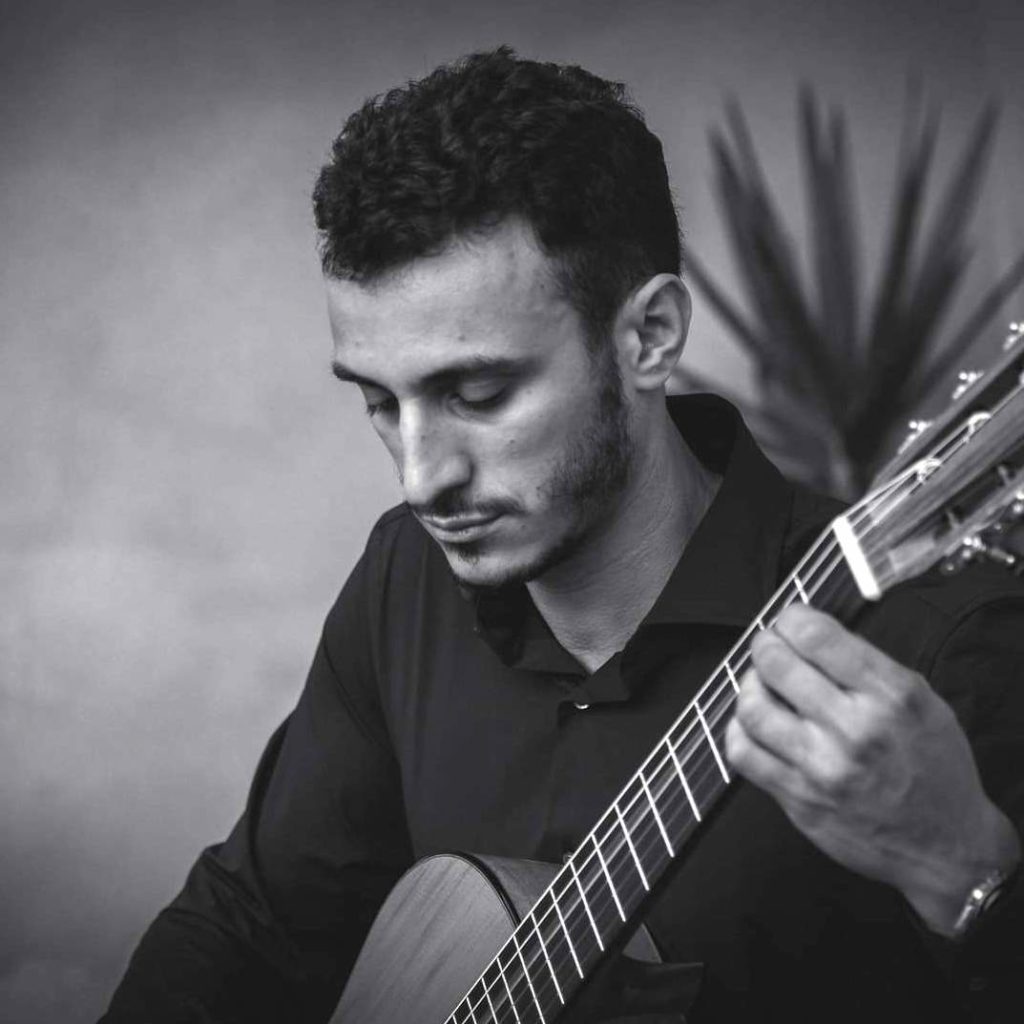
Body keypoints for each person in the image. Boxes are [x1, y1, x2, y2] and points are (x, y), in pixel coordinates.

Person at [103, 47, 1024, 1023]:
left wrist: (965, 865)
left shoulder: (941, 650)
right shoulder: (406, 579)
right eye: (379, 402)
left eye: (477, 393)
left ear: (649, 336)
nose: (420, 477)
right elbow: (249, 926)